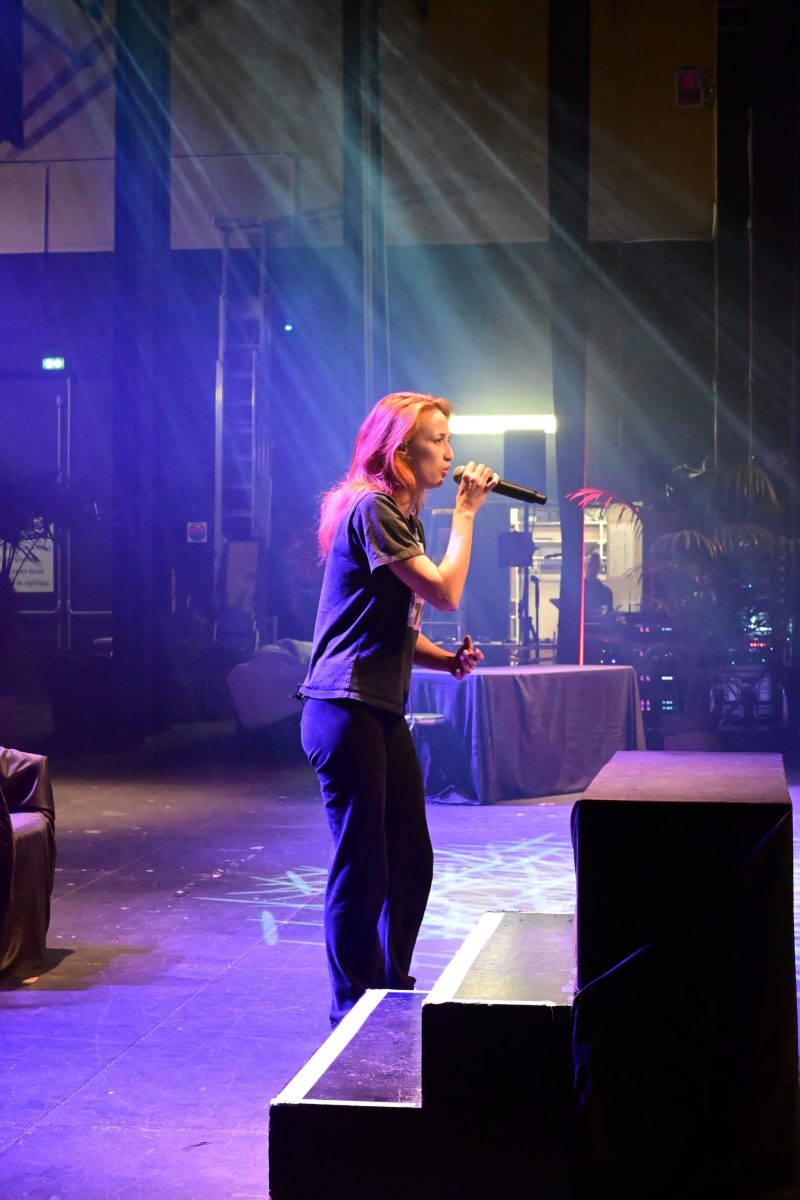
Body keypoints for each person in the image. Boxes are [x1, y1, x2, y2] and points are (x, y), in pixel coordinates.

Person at [298, 391, 496, 1026]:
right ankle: (351, 1007)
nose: (451, 453)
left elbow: (393, 630)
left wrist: (447, 661)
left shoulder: (400, 520)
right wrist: (465, 515)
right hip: (343, 706)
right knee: (363, 864)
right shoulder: (372, 507)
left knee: (409, 858)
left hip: (378, 708)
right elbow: (444, 592)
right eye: (438, 440)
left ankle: (388, 986)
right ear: (401, 451)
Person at [584, 551, 614, 618]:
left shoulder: (606, 591)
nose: (593, 567)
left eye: (595, 564)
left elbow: (609, 614)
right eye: (591, 564)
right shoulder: (606, 591)